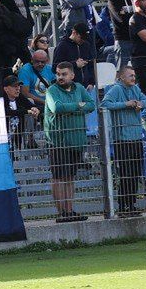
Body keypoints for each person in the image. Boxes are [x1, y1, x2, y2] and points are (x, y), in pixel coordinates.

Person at [42, 62, 95, 222]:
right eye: (58, 74)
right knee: (58, 177)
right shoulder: (51, 90)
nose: (60, 77)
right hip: (58, 141)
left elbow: (91, 105)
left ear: (72, 75)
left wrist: (71, 107)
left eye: (64, 74)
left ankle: (70, 210)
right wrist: (79, 105)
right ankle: (62, 213)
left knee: (70, 177)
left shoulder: (79, 88)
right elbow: (57, 108)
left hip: (76, 140)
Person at [101, 64, 146, 215]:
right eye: (130, 76)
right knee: (126, 173)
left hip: (136, 137)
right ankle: (123, 206)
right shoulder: (116, 89)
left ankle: (132, 204)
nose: (134, 78)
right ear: (121, 77)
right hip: (122, 140)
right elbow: (104, 104)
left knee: (135, 172)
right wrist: (125, 104)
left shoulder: (135, 89)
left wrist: (140, 104)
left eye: (134, 76)